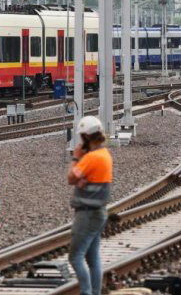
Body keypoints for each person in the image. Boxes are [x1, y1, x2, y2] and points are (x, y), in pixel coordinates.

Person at [67, 116, 113, 295]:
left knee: (75, 257)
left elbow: (71, 178)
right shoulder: (104, 155)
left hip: (87, 214)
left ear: (86, 137)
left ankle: (86, 292)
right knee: (92, 258)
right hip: (99, 212)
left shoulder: (91, 158)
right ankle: (95, 292)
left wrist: (75, 157)